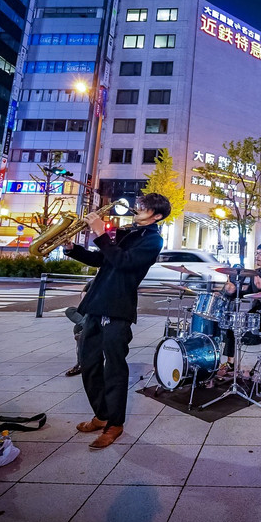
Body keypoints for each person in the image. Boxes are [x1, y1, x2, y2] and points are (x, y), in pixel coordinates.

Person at [65, 193, 170, 450]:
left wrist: (101, 233)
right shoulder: (129, 232)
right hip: (96, 305)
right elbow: (104, 260)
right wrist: (73, 249)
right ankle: (101, 415)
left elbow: (124, 262)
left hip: (118, 308)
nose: (139, 208)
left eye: (145, 207)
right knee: (88, 364)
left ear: (157, 215)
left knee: (114, 368)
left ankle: (115, 423)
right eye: (141, 204)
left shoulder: (153, 239)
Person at [217, 243, 261, 385]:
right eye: (256, 253)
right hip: (255, 312)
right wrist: (232, 291)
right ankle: (230, 362)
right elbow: (246, 293)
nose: (257, 256)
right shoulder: (253, 273)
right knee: (232, 323)